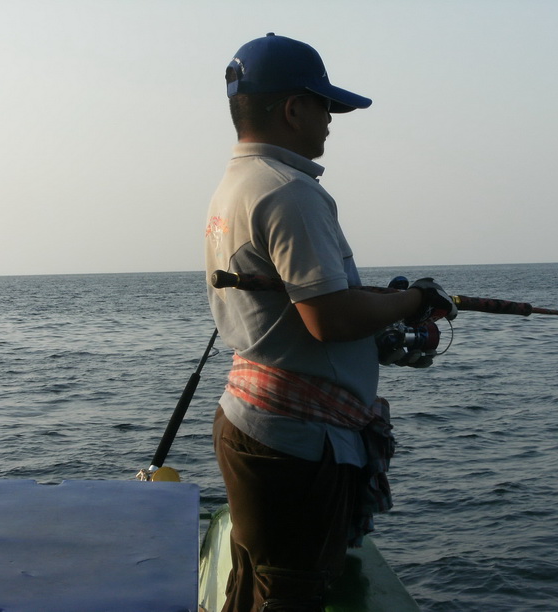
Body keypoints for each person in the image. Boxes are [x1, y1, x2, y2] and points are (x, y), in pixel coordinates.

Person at [205, 33, 457, 612]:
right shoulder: (291, 192)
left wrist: (377, 302)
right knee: (289, 594)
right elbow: (329, 317)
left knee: (254, 583)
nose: (329, 122)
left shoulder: (236, 185)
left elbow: (303, 296)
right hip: (296, 445)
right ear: (293, 108)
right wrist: (410, 303)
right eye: (323, 107)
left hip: (253, 422)